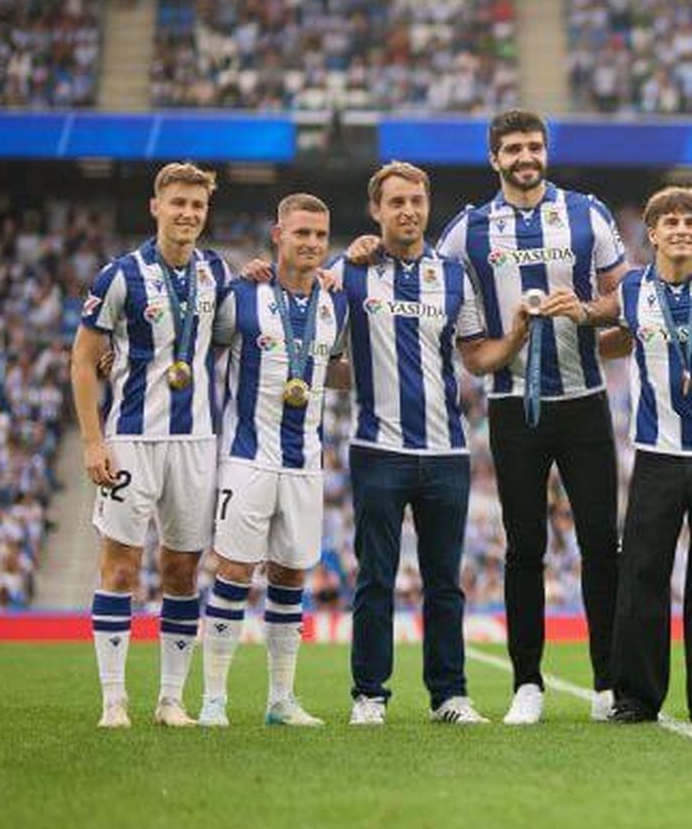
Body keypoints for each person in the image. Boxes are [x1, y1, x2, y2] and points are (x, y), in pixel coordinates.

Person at [432, 110, 628, 725]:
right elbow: (474, 356)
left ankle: (608, 682)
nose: (526, 156)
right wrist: (515, 334)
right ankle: (527, 684)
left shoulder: (587, 213)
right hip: (514, 408)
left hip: (585, 400)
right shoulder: (466, 233)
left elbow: (627, 297)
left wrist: (587, 310)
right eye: (513, 148)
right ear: (494, 158)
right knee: (524, 546)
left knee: (602, 543)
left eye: (534, 146)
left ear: (546, 151)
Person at [338, 162, 535, 726]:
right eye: (396, 201)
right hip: (378, 450)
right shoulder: (350, 273)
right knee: (375, 576)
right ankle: (369, 695)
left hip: (447, 453)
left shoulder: (453, 276)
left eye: (417, 200)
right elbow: (315, 343)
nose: (408, 210)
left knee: (444, 581)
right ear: (376, 211)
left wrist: (517, 332)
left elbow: (476, 358)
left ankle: (449, 695)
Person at [71, 162, 230, 729]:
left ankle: (171, 700)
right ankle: (114, 699)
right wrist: (93, 442)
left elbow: (239, 330)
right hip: (133, 439)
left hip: (196, 441)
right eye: (179, 203)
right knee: (120, 568)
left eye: (198, 205)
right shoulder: (120, 276)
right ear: (156, 207)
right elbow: (83, 361)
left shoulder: (217, 272)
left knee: (183, 571)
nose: (188, 213)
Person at [588, 187, 692, 724]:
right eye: (670, 222)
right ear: (652, 234)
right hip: (656, 454)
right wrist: (576, 313)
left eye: (690, 221)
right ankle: (635, 697)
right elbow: (601, 320)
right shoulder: (634, 288)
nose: (681, 229)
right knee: (641, 576)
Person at [198, 194, 349, 728]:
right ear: (278, 233)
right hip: (248, 457)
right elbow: (197, 354)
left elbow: (337, 365)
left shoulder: (338, 301)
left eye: (319, 235)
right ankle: (213, 698)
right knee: (234, 572)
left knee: (291, 577)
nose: (310, 243)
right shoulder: (242, 295)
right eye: (301, 232)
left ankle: (280, 699)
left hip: (306, 461)